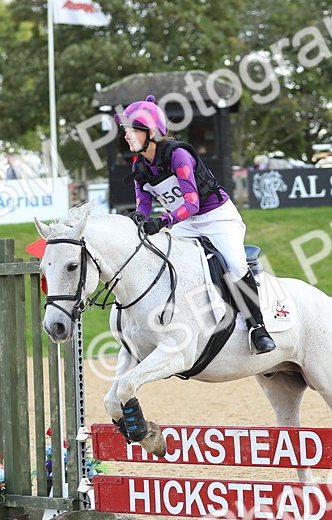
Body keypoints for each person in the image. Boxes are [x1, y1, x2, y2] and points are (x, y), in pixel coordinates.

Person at [118, 95, 276, 355]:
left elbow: (191, 204)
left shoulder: (178, 155)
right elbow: (143, 204)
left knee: (235, 265)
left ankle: (257, 327)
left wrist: (163, 221)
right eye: (126, 131)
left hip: (216, 217)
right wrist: (140, 218)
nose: (126, 136)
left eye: (132, 130)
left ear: (151, 133)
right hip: (184, 223)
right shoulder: (140, 164)